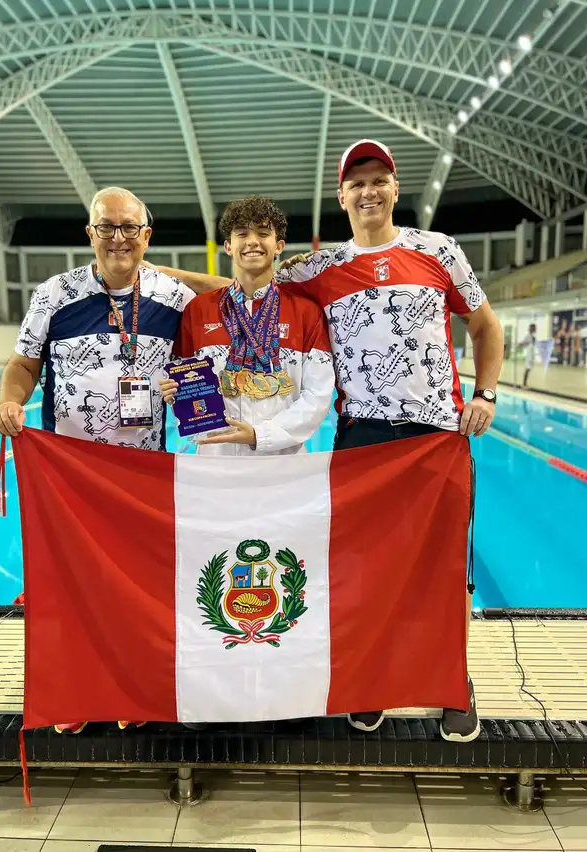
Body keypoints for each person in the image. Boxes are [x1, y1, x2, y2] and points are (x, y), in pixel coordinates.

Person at [146, 139, 504, 743]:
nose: (368, 192)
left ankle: (453, 684)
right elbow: (246, 283)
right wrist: (158, 274)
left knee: (441, 567)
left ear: (394, 188)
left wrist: (486, 394)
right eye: (356, 183)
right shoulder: (321, 268)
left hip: (435, 435)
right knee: (365, 568)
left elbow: (485, 324)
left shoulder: (438, 250)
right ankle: (372, 682)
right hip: (362, 434)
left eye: (378, 179)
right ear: (342, 196)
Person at [0, 186, 211, 734]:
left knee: (135, 586)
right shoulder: (55, 294)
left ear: (146, 235)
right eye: (107, 227)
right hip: (70, 472)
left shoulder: (172, 296)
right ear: (90, 233)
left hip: (141, 473)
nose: (118, 238)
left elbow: (229, 300)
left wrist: (161, 272)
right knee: (70, 584)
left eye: (129, 228)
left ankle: (130, 689)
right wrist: (9, 401)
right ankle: (73, 692)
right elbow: (23, 365)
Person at [159, 196, 334, 457]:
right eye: (242, 233)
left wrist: (261, 435)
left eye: (263, 233)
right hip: (217, 461)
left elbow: (318, 394)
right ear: (228, 246)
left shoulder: (306, 313)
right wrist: (177, 393)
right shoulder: (198, 310)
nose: (252, 241)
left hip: (283, 464)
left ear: (279, 246)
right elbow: (184, 381)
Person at [518, 323, 537, 388]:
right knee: (527, 368)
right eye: (534, 328)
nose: (535, 329)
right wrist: (520, 344)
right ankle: (524, 383)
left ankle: (525, 383)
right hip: (529, 355)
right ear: (531, 328)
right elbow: (523, 343)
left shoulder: (532, 336)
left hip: (531, 354)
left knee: (529, 369)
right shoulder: (528, 335)